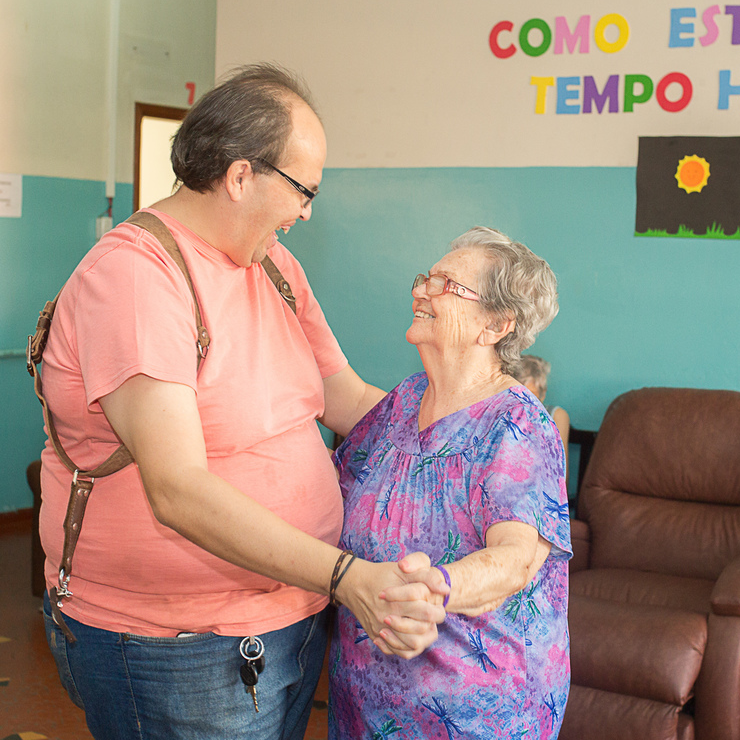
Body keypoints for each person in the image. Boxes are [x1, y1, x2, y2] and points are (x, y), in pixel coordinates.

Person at [36, 64, 445, 740]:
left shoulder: (273, 265)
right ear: (240, 176)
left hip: (290, 616)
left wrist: (470, 429)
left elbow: (343, 396)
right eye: (304, 190)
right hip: (180, 650)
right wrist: (348, 578)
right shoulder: (136, 279)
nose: (307, 212)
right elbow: (179, 490)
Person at [329, 227, 571, 740]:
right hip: (365, 703)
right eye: (425, 278)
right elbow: (333, 484)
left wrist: (434, 588)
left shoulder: (517, 425)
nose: (421, 291)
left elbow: (515, 558)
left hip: (474, 715)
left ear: (495, 325)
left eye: (445, 285)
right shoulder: (404, 401)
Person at [514, 354, 570, 450]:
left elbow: (561, 459)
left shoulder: (556, 416)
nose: (524, 403)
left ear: (542, 394)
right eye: (518, 396)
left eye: (531, 397)